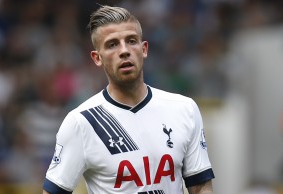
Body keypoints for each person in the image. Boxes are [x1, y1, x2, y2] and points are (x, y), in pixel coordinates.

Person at [42, 5, 215, 194]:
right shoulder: (82, 122)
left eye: (131, 41)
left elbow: (200, 187)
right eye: (112, 44)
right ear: (97, 58)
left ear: (144, 49)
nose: (124, 51)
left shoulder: (184, 109)